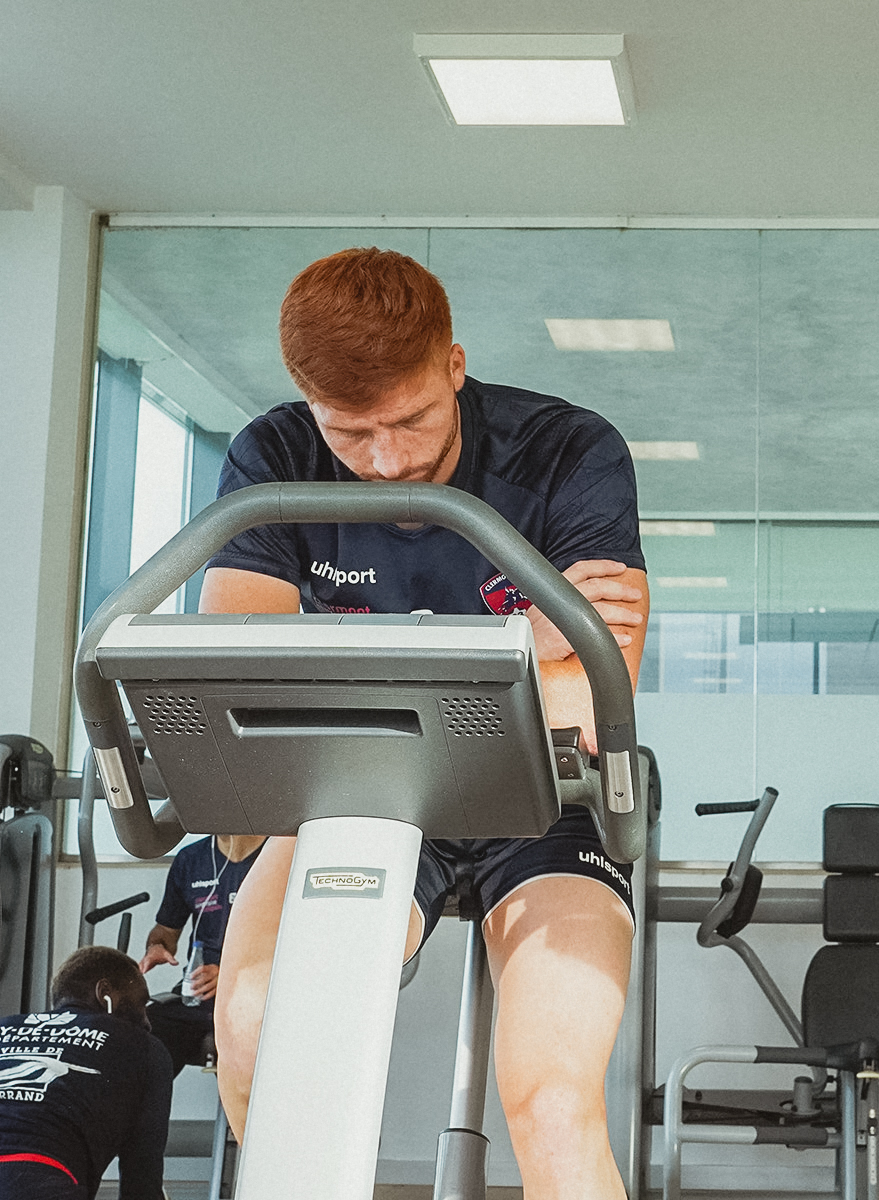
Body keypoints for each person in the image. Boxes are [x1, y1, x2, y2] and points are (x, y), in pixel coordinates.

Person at [206, 247, 649, 1198]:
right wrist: (515, 638)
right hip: (356, 783)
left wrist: (358, 665)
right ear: (307, 404)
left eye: (410, 420)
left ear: (454, 365)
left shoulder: (568, 450)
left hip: (546, 794)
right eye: (351, 435)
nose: (391, 462)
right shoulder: (273, 457)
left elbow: (589, 699)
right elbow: (239, 679)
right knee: (256, 1028)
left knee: (551, 1097)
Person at [0, 946, 172, 1199]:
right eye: (141, 1003)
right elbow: (141, 1181)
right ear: (104, 994)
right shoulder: (144, 1047)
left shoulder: (4, 1025)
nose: (147, 1022)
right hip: (37, 1180)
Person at [136, 833, 266, 1078]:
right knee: (145, 1035)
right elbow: (165, 930)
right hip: (198, 996)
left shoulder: (278, 855)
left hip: (258, 997)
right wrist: (156, 947)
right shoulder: (190, 859)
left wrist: (233, 976)